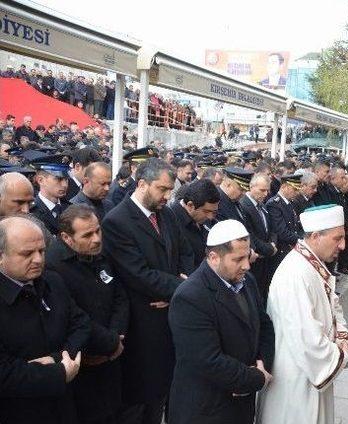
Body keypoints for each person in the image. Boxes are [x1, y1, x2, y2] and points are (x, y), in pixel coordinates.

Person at [102, 158, 194, 424]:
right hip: (142, 325)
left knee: (161, 396)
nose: (167, 196)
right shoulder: (117, 221)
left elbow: (185, 252)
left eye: (170, 190)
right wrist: (184, 287)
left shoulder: (167, 214)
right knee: (139, 401)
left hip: (169, 318)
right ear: (141, 183)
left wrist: (176, 292)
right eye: (162, 189)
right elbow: (140, 275)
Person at [168, 220, 275, 424]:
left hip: (241, 405)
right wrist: (256, 379)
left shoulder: (247, 281)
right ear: (214, 257)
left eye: (248, 255)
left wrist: (264, 364)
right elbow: (207, 360)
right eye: (238, 259)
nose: (247, 265)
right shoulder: (190, 296)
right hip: (206, 410)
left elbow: (265, 326)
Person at [256, 205, 348, 424]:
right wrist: (341, 354)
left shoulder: (310, 264)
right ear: (316, 236)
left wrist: (343, 336)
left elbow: (333, 307)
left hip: (309, 375)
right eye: (338, 238)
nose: (343, 245)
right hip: (298, 380)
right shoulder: (295, 273)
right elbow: (307, 338)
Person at [0, 216, 88, 424]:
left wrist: (58, 359)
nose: (38, 259)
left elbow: (81, 324)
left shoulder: (52, 281)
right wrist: (56, 374)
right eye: (27, 253)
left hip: (64, 407)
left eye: (41, 251)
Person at [46, 205, 130, 424]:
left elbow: (120, 296)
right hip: (83, 365)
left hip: (112, 358)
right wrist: (109, 341)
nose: (96, 239)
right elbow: (74, 315)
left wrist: (116, 335)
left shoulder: (99, 253)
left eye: (98, 231)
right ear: (66, 237)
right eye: (87, 235)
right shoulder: (53, 267)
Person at [239, 174, 277, 300]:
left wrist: (273, 242)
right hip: (256, 259)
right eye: (262, 190)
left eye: (267, 190)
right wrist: (269, 248)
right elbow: (250, 234)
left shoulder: (262, 204)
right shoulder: (244, 205)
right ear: (251, 187)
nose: (266, 194)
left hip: (266, 259)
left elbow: (271, 227)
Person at [169, 178, 220, 268]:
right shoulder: (171, 220)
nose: (210, 217)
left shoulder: (208, 221)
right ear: (190, 205)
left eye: (214, 212)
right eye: (207, 212)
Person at [29, 154, 73, 234]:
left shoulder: (70, 208)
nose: (65, 184)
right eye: (59, 179)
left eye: (66, 179)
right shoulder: (31, 213)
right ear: (41, 180)